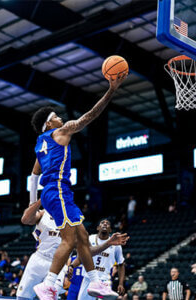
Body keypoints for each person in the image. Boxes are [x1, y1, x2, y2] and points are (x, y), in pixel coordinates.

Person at [31, 73, 127, 299]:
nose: (60, 118)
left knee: (83, 235)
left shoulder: (39, 144)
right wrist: (111, 91)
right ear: (48, 124)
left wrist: (32, 203)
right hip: (58, 191)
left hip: (55, 193)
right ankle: (49, 284)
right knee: (70, 239)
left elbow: (34, 175)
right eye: (56, 116)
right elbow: (87, 117)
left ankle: (95, 282)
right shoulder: (59, 132)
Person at [17, 200, 128, 300]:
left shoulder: (74, 224)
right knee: (22, 297)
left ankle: (95, 282)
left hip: (59, 267)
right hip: (39, 258)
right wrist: (41, 200)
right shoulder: (44, 213)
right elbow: (25, 219)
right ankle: (95, 282)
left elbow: (87, 252)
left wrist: (108, 243)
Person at [76, 219, 126, 300]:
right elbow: (81, 256)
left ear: (110, 230)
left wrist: (121, 283)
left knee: (102, 298)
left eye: (108, 223)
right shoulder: (90, 238)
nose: (105, 224)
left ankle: (100, 296)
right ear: (98, 228)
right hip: (88, 279)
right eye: (102, 223)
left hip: (104, 280)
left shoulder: (116, 245)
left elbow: (121, 264)